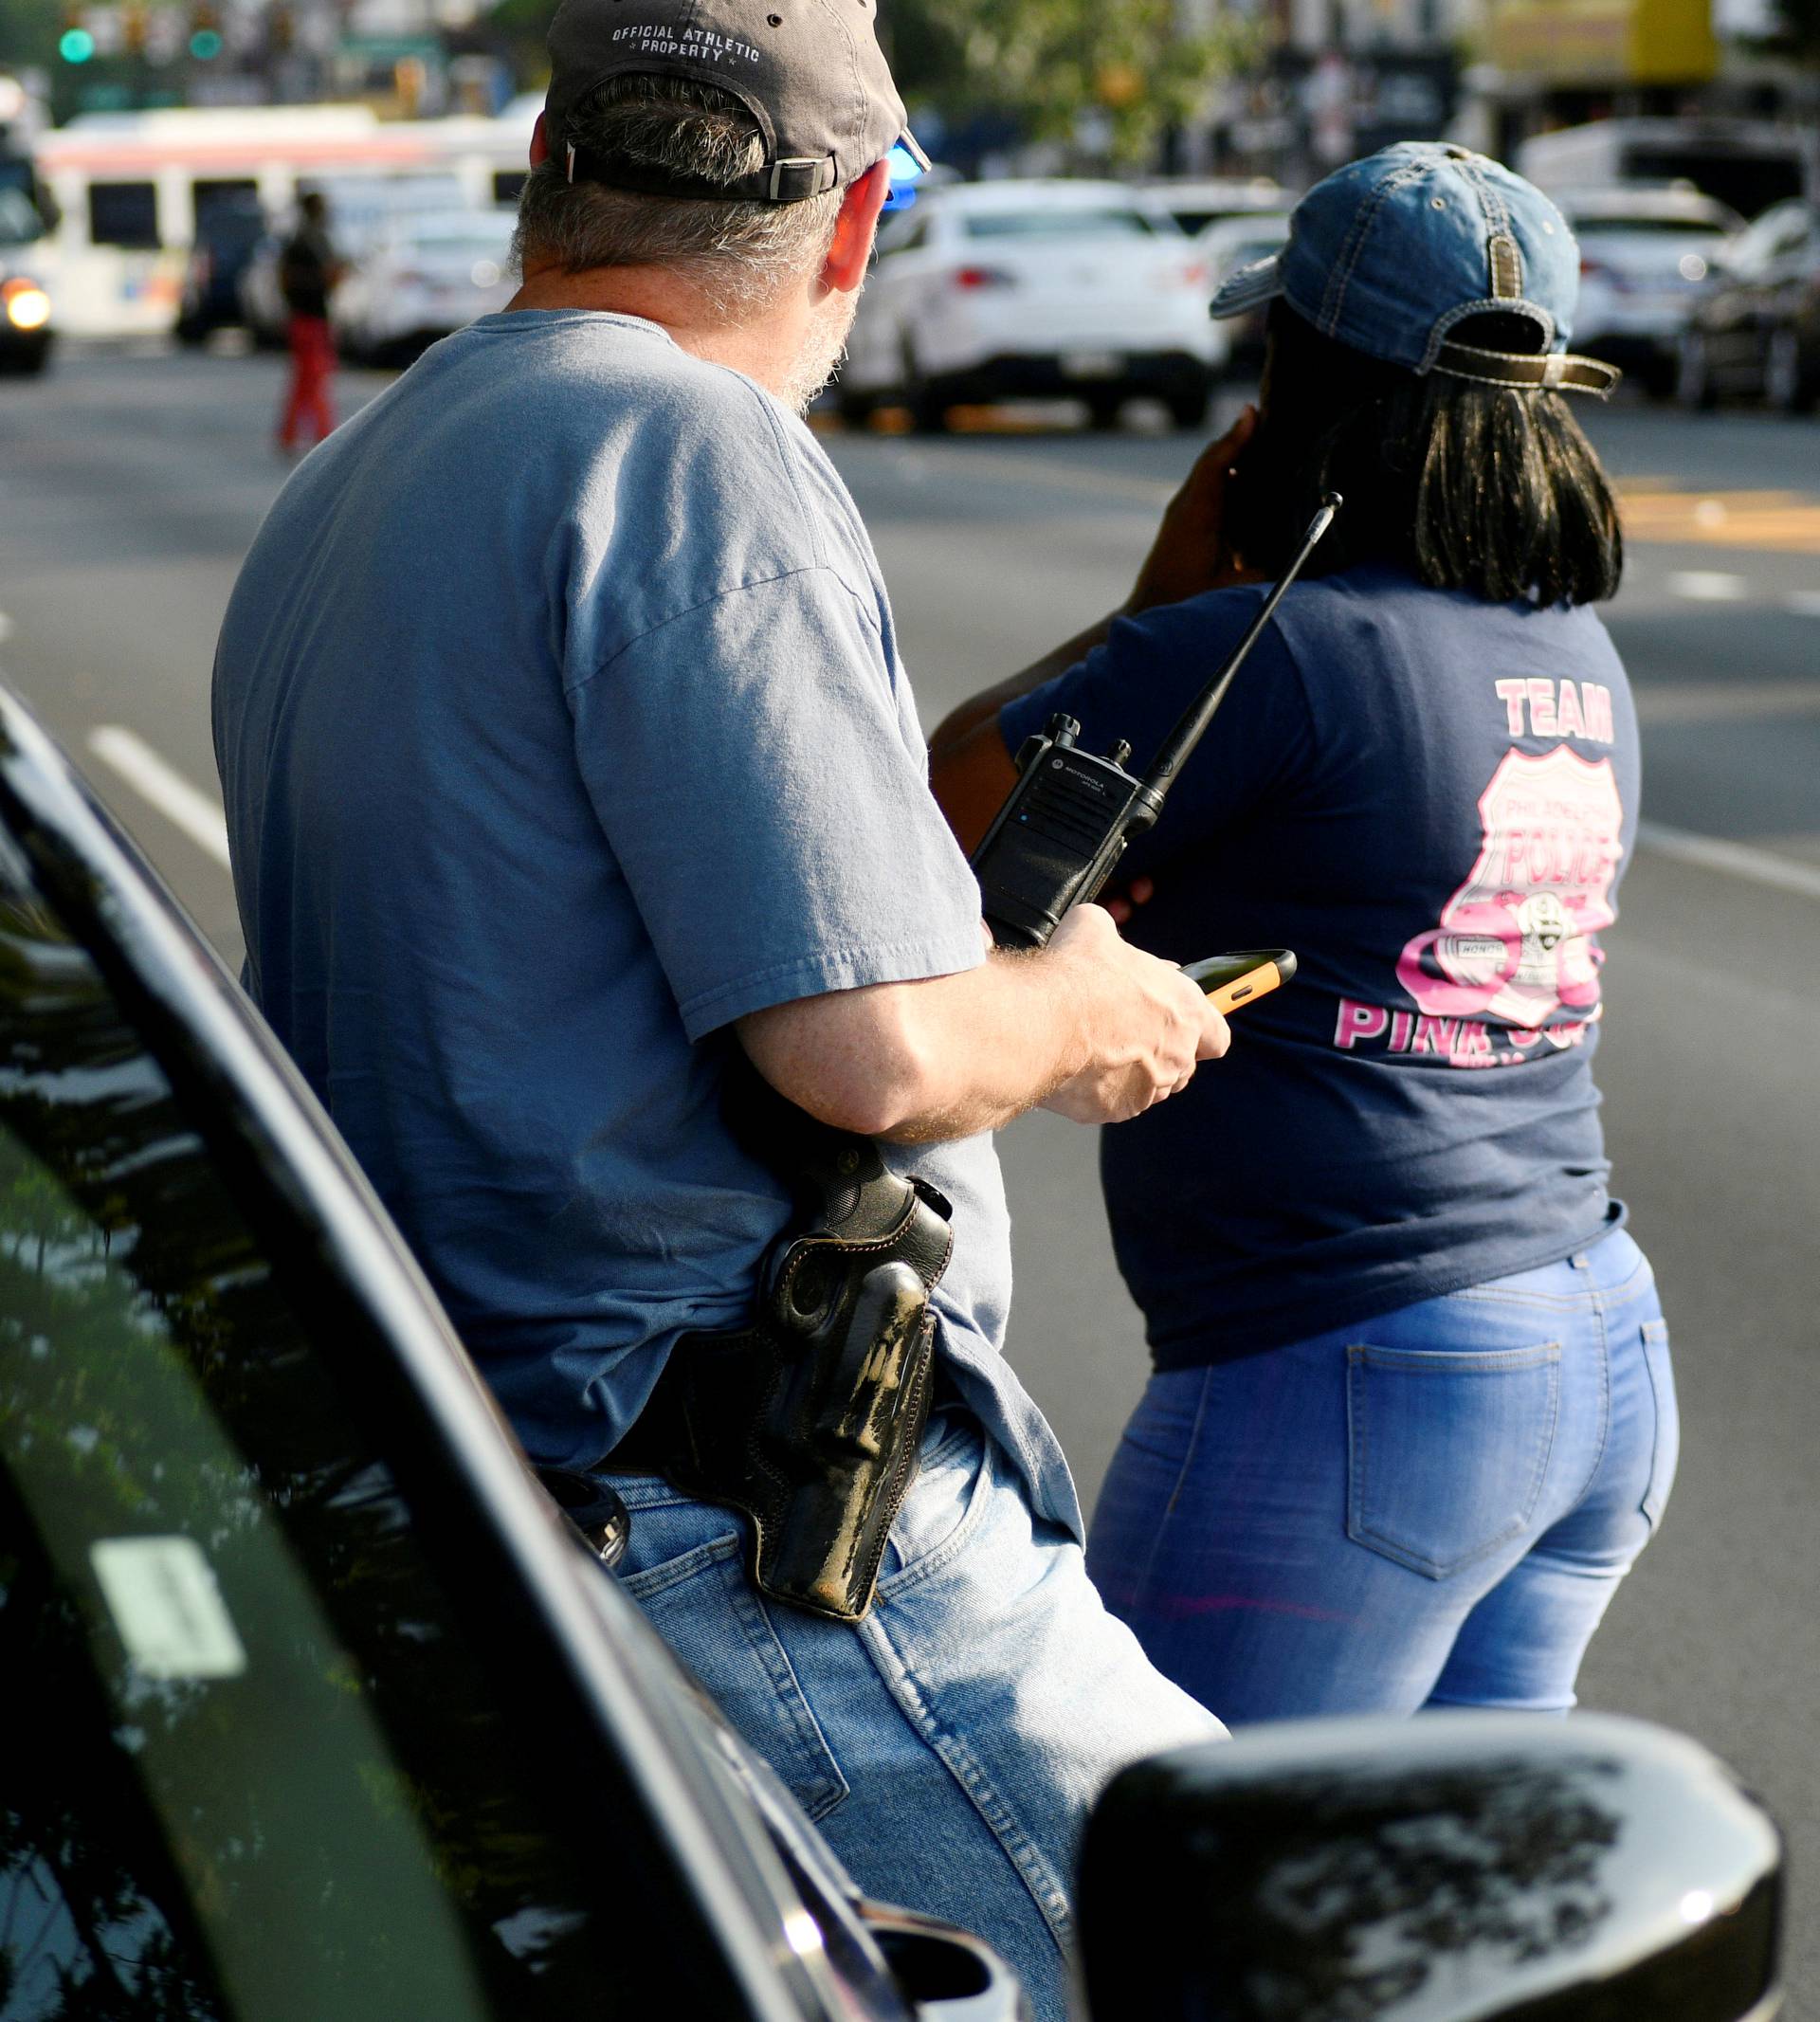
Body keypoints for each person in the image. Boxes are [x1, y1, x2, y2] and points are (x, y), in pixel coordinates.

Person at [211, 2, 1233, 2013]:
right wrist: (1081, 1003)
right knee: (1257, 1947)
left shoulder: (349, 480)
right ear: (859, 223)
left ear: (548, 181)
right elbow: (871, 1048)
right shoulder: (687, 441)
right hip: (751, 1527)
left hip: (503, 1507)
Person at [930, 143, 1679, 1727]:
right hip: (1593, 1344)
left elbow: (941, 818)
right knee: (1433, 1928)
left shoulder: (1260, 657)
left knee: (1164, 1892)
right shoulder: (1577, 655)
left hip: (1352, 1377)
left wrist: (1159, 598)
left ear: (1293, 378)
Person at [275, 190, 340, 453]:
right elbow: (326, 276)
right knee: (315, 379)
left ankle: (288, 435)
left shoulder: (298, 240)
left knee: (303, 382)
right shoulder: (312, 241)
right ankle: (325, 436)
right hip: (311, 319)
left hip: (302, 318)